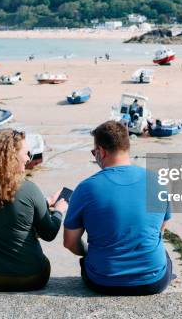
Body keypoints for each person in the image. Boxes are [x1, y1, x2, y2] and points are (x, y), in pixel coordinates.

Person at [63, 121, 172, 296]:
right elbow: (162, 227)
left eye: (94, 152)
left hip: (102, 281)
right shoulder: (157, 181)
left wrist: (86, 252)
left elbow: (69, 242)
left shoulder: (85, 188)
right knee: (161, 252)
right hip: (152, 282)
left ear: (101, 152)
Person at [0, 129, 68, 292]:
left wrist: (45, 202)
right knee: (43, 261)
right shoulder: (29, 189)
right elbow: (49, 233)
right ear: (11, 157)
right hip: (29, 277)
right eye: (26, 153)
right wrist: (59, 211)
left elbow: (8, 212)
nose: (28, 158)